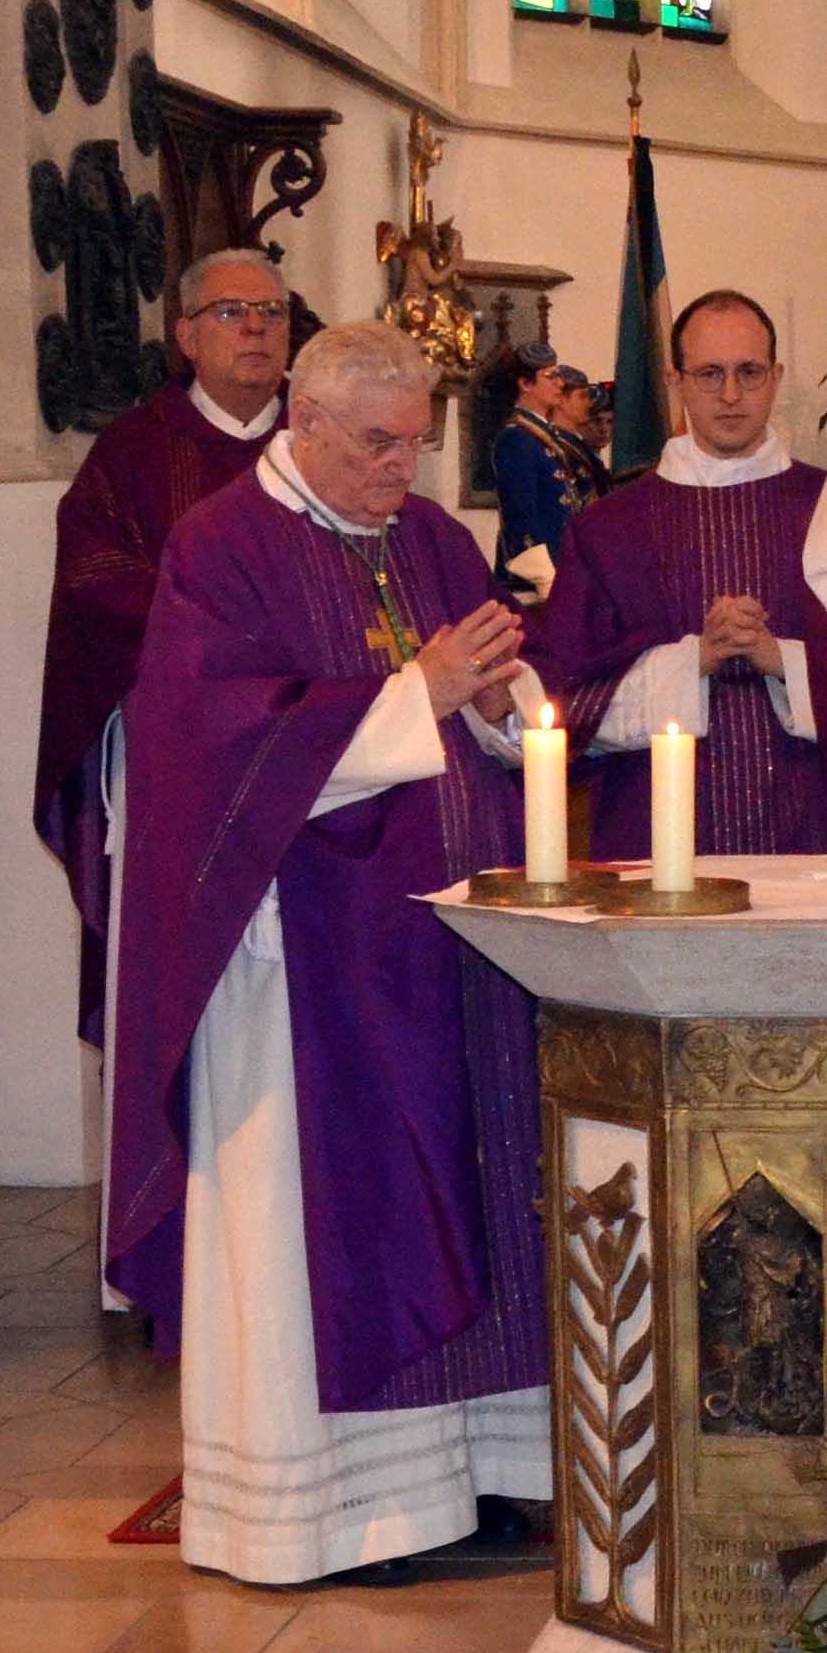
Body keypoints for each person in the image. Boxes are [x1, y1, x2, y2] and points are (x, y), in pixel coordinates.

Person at [105, 322, 555, 1587]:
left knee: (472, 1189)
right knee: (337, 1219)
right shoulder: (219, 546)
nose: (401, 468)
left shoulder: (432, 541)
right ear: (300, 424)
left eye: (417, 441)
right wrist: (416, 691)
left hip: (447, 936)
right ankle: (346, 1515)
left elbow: (503, 694)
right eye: (376, 443)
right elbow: (213, 745)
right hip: (303, 957)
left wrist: (502, 706)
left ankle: (485, 1472)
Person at [35, 250, 293, 1057]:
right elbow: (93, 579)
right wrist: (232, 629)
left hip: (317, 757)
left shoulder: (331, 439)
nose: (254, 328)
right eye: (231, 312)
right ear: (186, 335)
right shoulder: (134, 452)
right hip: (183, 757)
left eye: (272, 313)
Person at [527, 289, 827, 857]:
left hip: (813, 830)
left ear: (776, 377)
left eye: (749, 373)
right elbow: (559, 705)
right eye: (709, 374)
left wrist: (781, 660)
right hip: (652, 839)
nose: (731, 395)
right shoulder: (608, 528)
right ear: (675, 382)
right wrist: (692, 663)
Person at [486, 341, 613, 596]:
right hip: (533, 582)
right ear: (525, 384)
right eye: (550, 376)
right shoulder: (518, 438)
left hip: (560, 570)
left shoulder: (546, 436)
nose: (560, 383)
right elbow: (521, 516)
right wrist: (543, 577)